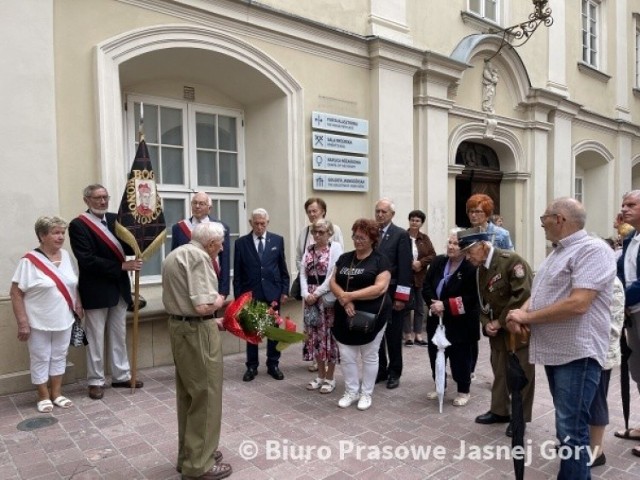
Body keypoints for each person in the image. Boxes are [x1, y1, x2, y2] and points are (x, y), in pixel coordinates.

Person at [507, 197, 616, 479]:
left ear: (559, 219)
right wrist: (521, 311)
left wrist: (526, 318)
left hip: (577, 353)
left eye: (544, 218)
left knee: (571, 432)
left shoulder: (592, 250)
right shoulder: (558, 252)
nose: (541, 223)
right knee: (568, 429)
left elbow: (578, 303)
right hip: (559, 352)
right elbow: (542, 293)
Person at [162, 222, 232, 480]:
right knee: (207, 395)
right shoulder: (200, 257)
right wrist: (220, 301)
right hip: (197, 332)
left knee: (189, 395)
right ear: (211, 243)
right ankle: (200, 464)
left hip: (179, 327)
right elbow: (203, 305)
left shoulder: (176, 254)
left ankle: (189, 455)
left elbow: (182, 300)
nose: (222, 248)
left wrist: (209, 318)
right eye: (221, 243)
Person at [69, 184, 144, 400]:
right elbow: (86, 259)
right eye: (97, 198)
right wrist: (121, 267)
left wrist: (143, 239)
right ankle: (95, 380)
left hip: (119, 287)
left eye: (105, 197)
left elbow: (129, 246)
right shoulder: (78, 225)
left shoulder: (115, 219)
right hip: (95, 289)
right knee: (95, 337)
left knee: (118, 335)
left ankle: (121, 375)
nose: (102, 202)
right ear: (87, 200)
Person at [459, 227, 535, 437]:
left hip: (515, 328)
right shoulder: (481, 268)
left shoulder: (511, 261)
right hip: (497, 331)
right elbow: (482, 301)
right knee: (500, 372)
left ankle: (519, 418)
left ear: (482, 246)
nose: (467, 258)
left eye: (469, 252)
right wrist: (486, 323)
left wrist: (499, 322)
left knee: (521, 375)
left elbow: (523, 296)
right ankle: (500, 410)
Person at [10, 216, 81, 413]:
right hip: (38, 321)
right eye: (55, 233)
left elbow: (72, 284)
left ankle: (56, 393)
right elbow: (15, 293)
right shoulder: (29, 261)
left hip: (64, 318)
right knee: (40, 357)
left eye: (62, 233)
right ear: (42, 235)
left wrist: (78, 305)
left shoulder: (66, 256)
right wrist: (22, 322)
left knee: (60, 355)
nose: (60, 237)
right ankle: (42, 395)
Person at [330, 218, 391, 410]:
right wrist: (344, 298)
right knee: (346, 355)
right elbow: (332, 281)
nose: (357, 241)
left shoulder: (381, 259)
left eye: (362, 238)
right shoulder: (345, 258)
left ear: (372, 239)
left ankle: (366, 393)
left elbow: (380, 288)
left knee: (369, 355)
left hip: (372, 314)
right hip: (343, 313)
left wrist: (349, 296)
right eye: (355, 237)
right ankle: (351, 391)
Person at [422, 228, 479, 407]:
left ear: (465, 248)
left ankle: (463, 390)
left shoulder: (471, 267)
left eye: (456, 244)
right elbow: (427, 285)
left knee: (460, 356)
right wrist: (433, 304)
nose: (452, 247)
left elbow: (472, 298)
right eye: (450, 242)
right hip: (436, 318)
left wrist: (445, 305)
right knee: (435, 353)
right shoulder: (439, 261)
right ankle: (440, 385)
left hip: (460, 322)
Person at [234, 208, 290, 382]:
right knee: (251, 331)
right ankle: (252, 366)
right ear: (251, 223)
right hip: (250, 295)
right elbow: (238, 274)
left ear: (267, 222)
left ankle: (273, 364)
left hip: (272, 294)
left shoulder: (277, 240)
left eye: (262, 223)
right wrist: (238, 299)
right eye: (256, 223)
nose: (259, 227)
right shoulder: (241, 243)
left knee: (273, 331)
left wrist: (284, 290)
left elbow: (282, 269)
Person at [466, 193, 513, 380]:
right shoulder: (467, 234)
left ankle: (501, 376)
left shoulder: (500, 234)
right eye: (471, 211)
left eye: (478, 211)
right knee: (475, 332)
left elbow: (510, 257)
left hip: (495, 286)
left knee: (498, 335)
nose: (473, 215)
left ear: (486, 213)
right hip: (474, 286)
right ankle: (470, 370)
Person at [295, 197, 344, 373]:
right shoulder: (305, 233)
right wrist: (305, 292)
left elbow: (336, 267)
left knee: (327, 333)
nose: (311, 214)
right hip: (309, 293)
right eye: (309, 211)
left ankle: (328, 374)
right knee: (312, 330)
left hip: (326, 294)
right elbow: (300, 261)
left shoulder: (335, 236)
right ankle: (317, 365)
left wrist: (318, 292)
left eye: (314, 210)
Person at [587, 265, 625, 468]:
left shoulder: (612, 282)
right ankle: (583, 442)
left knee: (596, 400)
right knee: (584, 400)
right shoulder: (590, 278)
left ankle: (597, 451)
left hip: (599, 352)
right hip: (587, 350)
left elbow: (611, 327)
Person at [301, 218, 343, 393]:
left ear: (329, 233)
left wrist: (316, 294)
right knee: (315, 338)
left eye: (321, 232)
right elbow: (303, 272)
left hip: (326, 299)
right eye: (314, 232)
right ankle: (320, 375)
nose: (317, 235)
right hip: (310, 299)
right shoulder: (309, 249)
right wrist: (305, 294)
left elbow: (332, 275)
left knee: (329, 338)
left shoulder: (335, 248)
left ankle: (330, 378)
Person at [374, 198, 412, 389]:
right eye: (377, 211)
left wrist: (401, 297)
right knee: (377, 335)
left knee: (393, 335)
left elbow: (405, 268)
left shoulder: (400, 235)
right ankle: (380, 370)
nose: (380, 215)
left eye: (384, 212)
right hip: (374, 294)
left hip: (393, 293)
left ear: (392, 215)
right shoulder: (372, 233)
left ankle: (394, 372)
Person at [614, 190, 640, 457]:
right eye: (623, 204)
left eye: (631, 204)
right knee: (638, 370)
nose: (624, 209)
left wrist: (620, 301)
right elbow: (622, 271)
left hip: (635, 307)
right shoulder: (632, 237)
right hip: (633, 311)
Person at [171, 191, 231, 298]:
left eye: (201, 204)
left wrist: (223, 291)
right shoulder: (179, 228)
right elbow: (174, 259)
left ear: (209, 208)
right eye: (194, 203)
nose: (197, 206)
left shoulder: (221, 227)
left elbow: (224, 260)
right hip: (187, 284)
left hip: (212, 283)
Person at [403, 209, 435, 347]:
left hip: (420, 277)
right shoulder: (402, 236)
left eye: (417, 220)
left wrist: (420, 263)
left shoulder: (424, 238)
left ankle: (418, 334)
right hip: (405, 278)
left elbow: (432, 255)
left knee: (420, 307)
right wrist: (408, 263)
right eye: (412, 220)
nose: (414, 223)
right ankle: (407, 335)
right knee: (404, 306)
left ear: (421, 223)